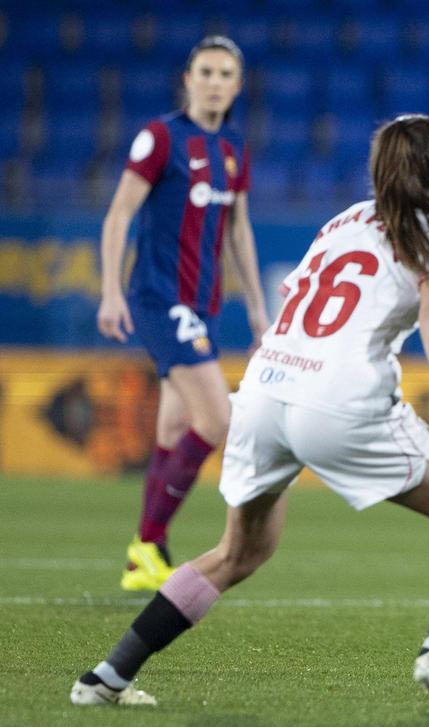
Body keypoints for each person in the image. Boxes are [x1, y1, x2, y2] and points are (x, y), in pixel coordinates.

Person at [72, 114, 429, 708]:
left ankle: (105, 679)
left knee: (237, 553)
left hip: (262, 393)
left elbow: (297, 299)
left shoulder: (341, 221)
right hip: (338, 400)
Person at [96, 36, 270, 592]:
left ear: (238, 85)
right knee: (217, 420)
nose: (215, 81)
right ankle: (146, 545)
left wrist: (260, 310)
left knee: (174, 427)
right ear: (188, 78)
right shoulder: (161, 137)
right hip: (159, 298)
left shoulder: (233, 149)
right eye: (206, 71)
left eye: (225, 73)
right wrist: (109, 290)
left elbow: (238, 228)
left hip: (203, 306)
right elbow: (120, 212)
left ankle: (143, 555)